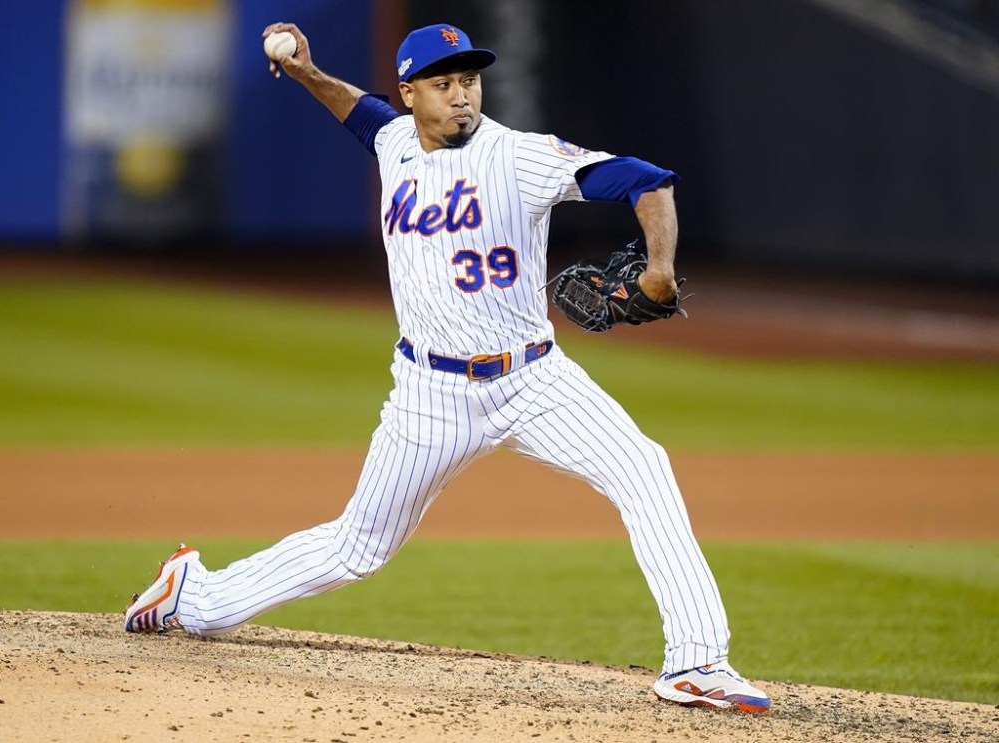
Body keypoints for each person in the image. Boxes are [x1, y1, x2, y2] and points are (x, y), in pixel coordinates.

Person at [124, 21, 771, 714]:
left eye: (469, 80)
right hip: (429, 395)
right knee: (357, 548)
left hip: (534, 380)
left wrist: (662, 272)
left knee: (644, 467)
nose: (461, 96)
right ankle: (194, 595)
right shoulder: (394, 138)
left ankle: (698, 661)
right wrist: (308, 70)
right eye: (443, 83)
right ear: (411, 95)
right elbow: (358, 109)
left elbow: (647, 181)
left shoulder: (518, 157)